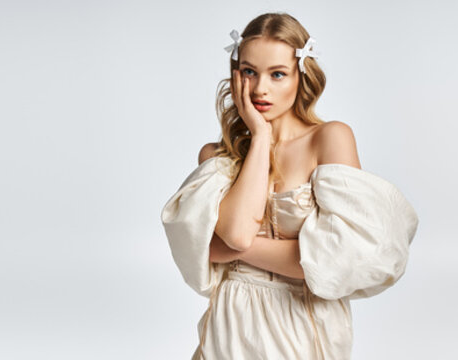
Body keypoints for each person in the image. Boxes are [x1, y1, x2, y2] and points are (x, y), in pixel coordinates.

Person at [160, 13, 419, 359]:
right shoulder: (217, 157)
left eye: (277, 74)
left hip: (301, 325)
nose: (260, 88)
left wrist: (226, 248)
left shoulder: (329, 139)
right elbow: (237, 234)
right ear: (236, 76)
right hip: (230, 325)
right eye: (250, 72)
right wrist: (261, 135)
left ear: (301, 76)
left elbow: (337, 259)